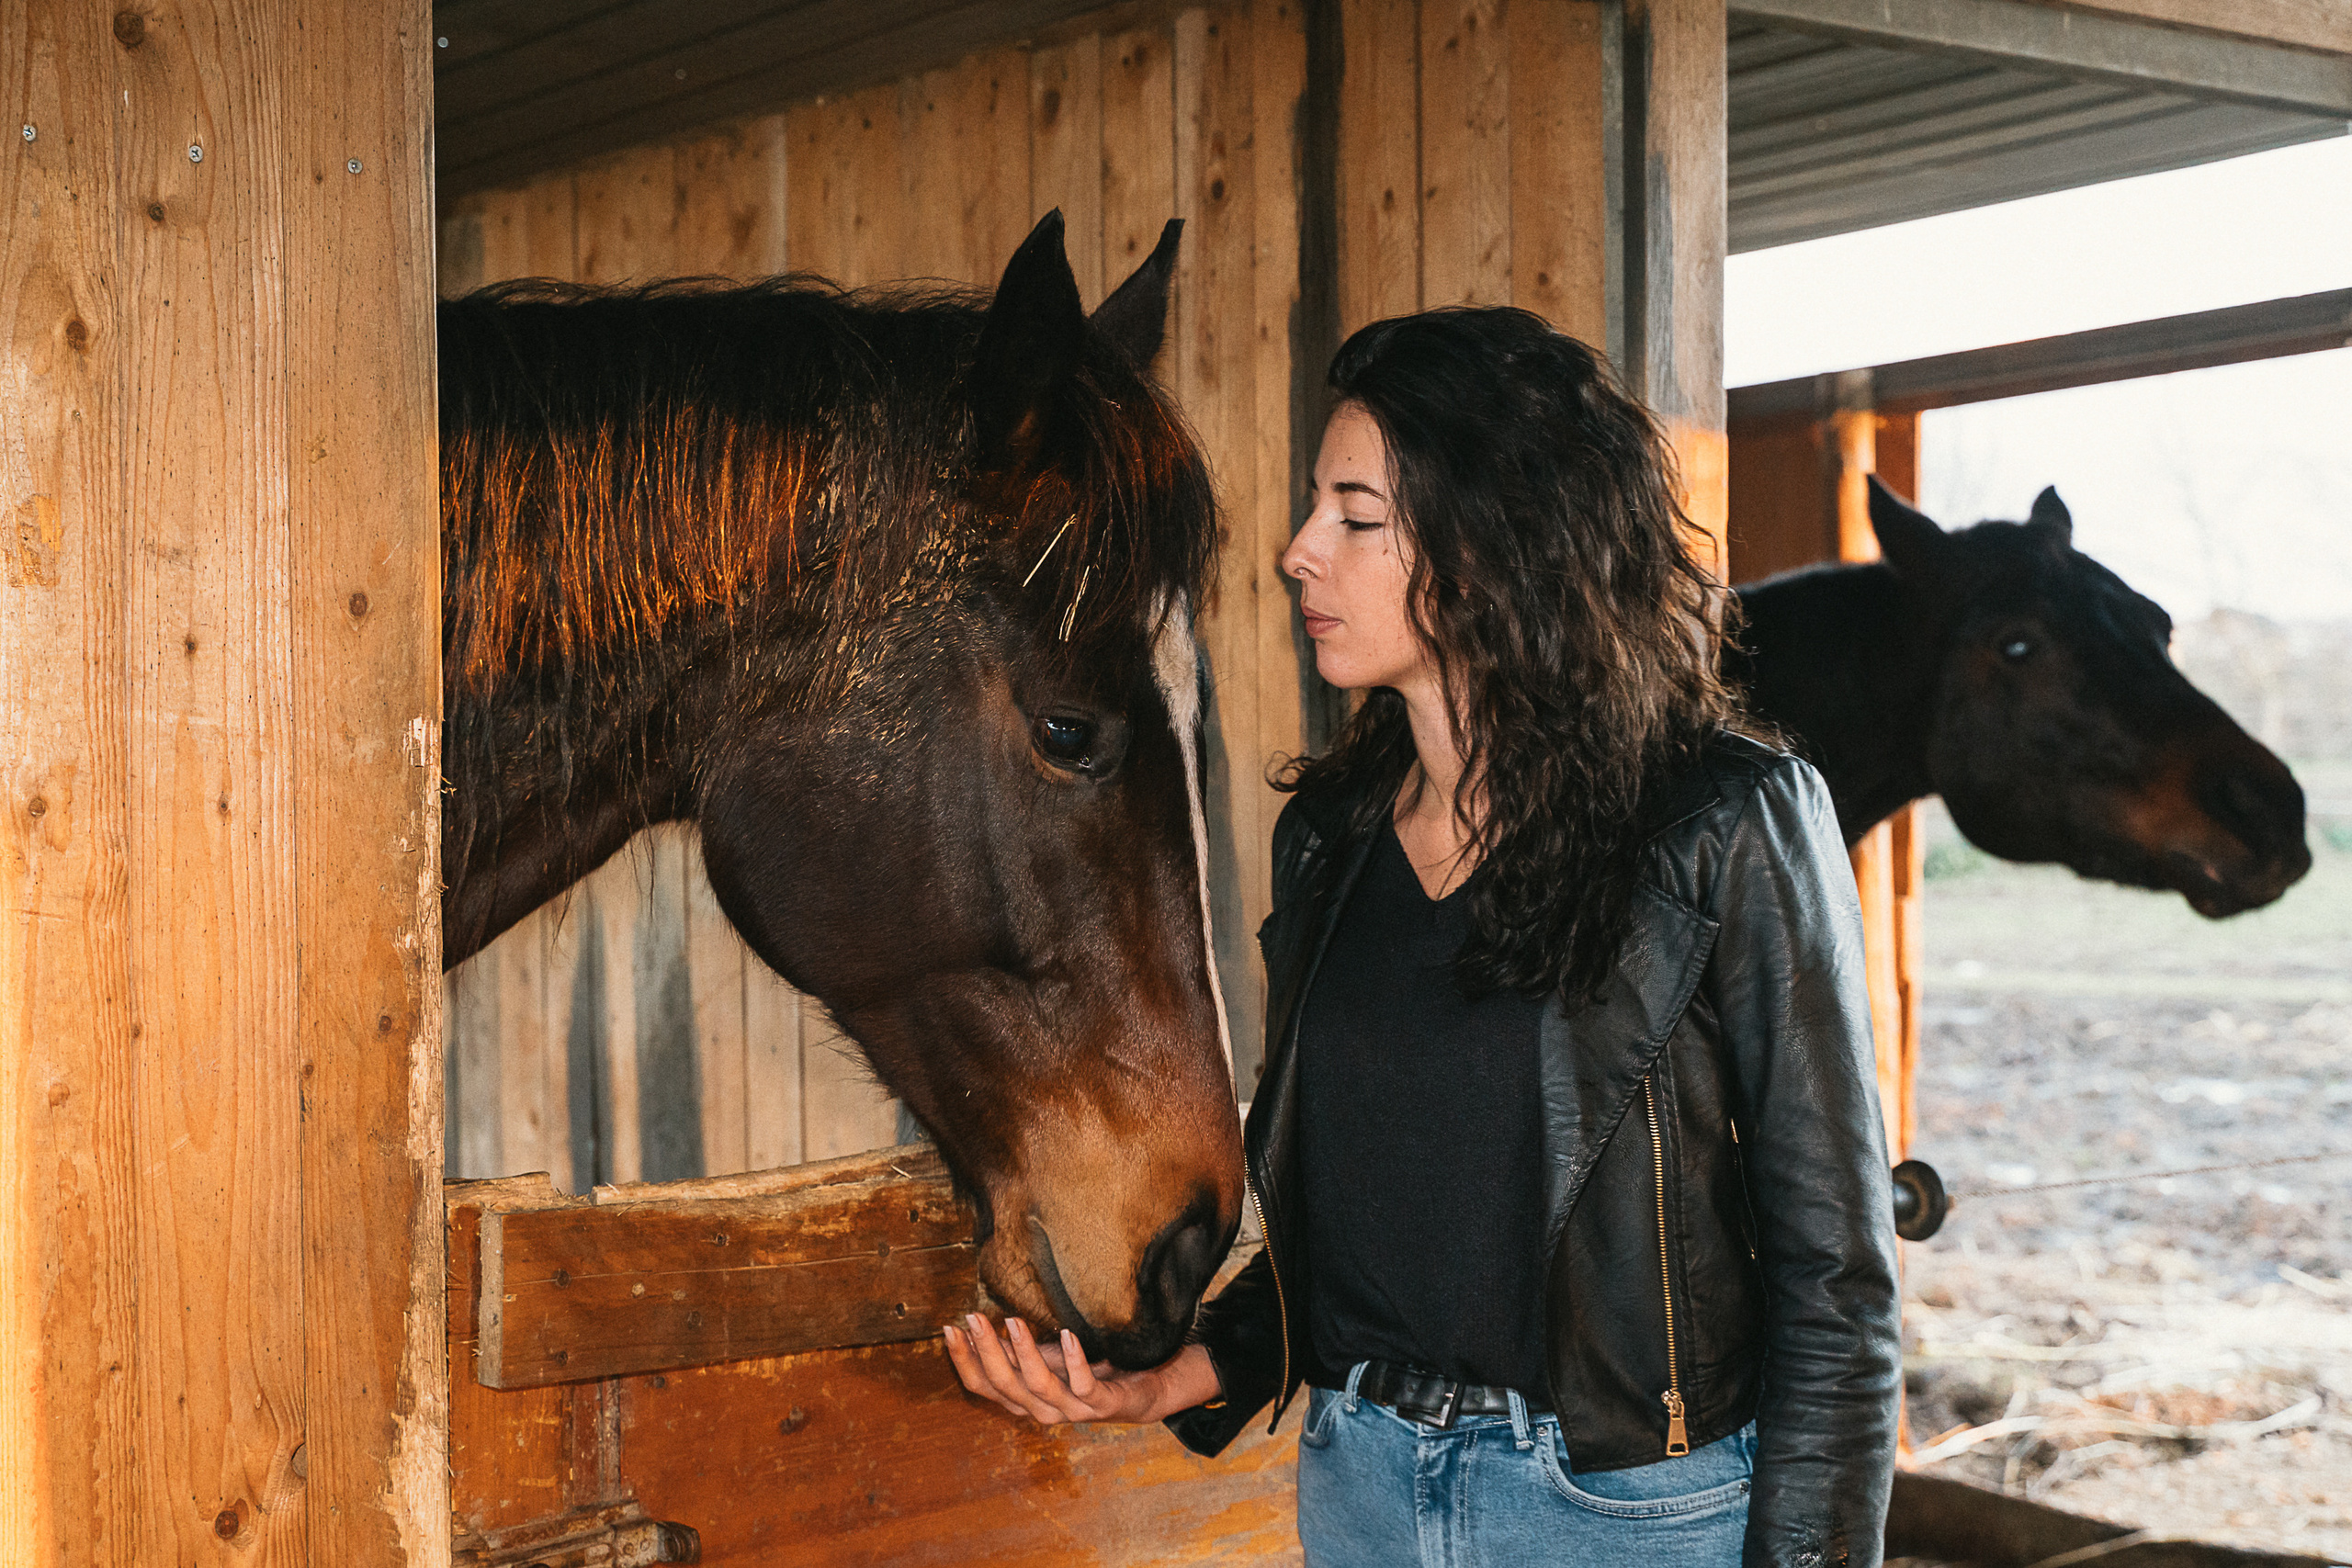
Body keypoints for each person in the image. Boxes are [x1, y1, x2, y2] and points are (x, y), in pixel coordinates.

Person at [944, 306, 1902, 1567]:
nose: (1297, 553)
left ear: (1494, 543)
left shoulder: (1726, 823)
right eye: (1312, 511)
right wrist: (1171, 1376)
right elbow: (1357, 1226)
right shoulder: (1332, 839)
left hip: (1625, 1517)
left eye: (1355, 517)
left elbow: (1838, 1282)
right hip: (1365, 1488)